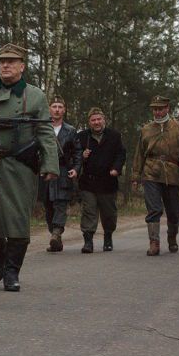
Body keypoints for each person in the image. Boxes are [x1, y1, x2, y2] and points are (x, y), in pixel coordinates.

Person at [0, 44, 59, 292]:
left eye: (11, 61)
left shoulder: (35, 96)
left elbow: (45, 131)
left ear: (22, 66)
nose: (6, 65)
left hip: (18, 165)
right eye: (2, 61)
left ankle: (12, 271)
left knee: (17, 220)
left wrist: (50, 164)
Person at [130, 95, 179, 256]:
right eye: (155, 109)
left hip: (171, 173)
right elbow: (139, 154)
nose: (157, 112)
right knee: (154, 209)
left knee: (173, 210)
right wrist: (135, 176)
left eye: (160, 109)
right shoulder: (146, 129)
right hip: (150, 172)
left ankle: (172, 237)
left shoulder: (178, 127)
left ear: (167, 108)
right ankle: (154, 243)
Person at [76, 107, 126, 253]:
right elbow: (74, 156)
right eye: (93, 120)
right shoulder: (82, 137)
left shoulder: (114, 136)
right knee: (89, 211)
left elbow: (121, 154)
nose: (96, 122)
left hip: (108, 181)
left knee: (109, 214)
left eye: (99, 119)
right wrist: (82, 156)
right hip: (88, 182)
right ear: (89, 122)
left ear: (104, 120)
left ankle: (108, 237)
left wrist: (116, 168)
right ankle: (88, 241)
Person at [42, 96, 82, 252]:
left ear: (64, 110)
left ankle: (56, 233)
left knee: (61, 203)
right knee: (48, 206)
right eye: (54, 106)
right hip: (45, 171)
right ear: (49, 109)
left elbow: (77, 152)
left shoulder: (70, 130)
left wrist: (76, 168)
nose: (57, 110)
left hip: (63, 171)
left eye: (60, 107)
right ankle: (55, 237)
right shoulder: (42, 128)